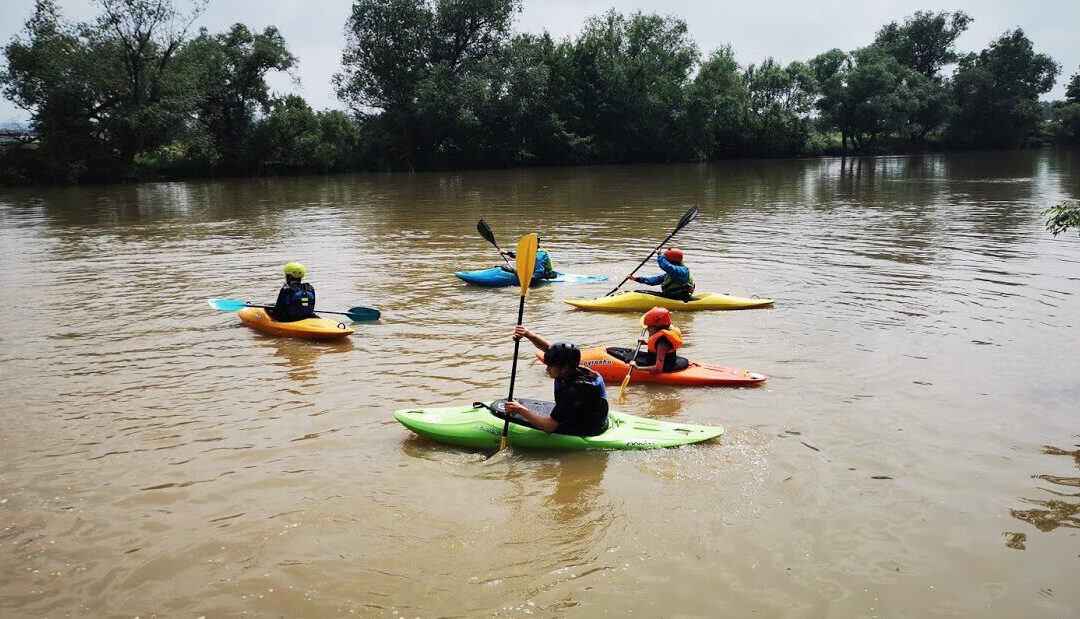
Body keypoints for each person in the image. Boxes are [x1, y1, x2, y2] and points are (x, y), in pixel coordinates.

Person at [503, 326, 609, 436]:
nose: (547, 369)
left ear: (565, 367)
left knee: (538, 419)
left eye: (551, 366)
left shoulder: (575, 389)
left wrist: (521, 410)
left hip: (588, 428)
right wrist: (528, 334)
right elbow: (549, 348)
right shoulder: (572, 367)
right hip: (590, 414)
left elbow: (549, 427)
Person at [627, 247, 694, 301]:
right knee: (638, 291)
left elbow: (665, 266)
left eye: (665, 258)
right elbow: (654, 280)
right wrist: (636, 279)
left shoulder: (681, 271)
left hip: (679, 298)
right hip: (671, 297)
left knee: (639, 293)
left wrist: (659, 254)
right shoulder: (673, 273)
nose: (664, 260)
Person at [629, 307, 683, 374]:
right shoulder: (663, 334)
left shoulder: (662, 342)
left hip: (663, 366)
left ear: (659, 327)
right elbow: (658, 348)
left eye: (650, 326)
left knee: (626, 357)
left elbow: (658, 368)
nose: (647, 328)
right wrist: (646, 343)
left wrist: (637, 368)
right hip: (657, 359)